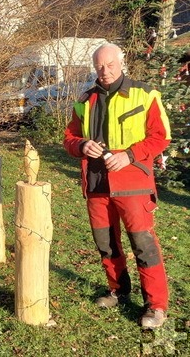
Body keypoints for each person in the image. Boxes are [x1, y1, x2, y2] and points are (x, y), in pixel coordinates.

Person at [63, 43, 171, 329]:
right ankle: (118, 290)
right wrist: (82, 145)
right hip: (97, 184)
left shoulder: (145, 94)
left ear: (122, 63)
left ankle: (156, 306)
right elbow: (69, 138)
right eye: (99, 66)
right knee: (106, 244)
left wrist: (130, 155)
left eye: (110, 65)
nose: (105, 71)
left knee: (144, 245)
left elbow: (161, 137)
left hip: (133, 184)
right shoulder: (85, 99)